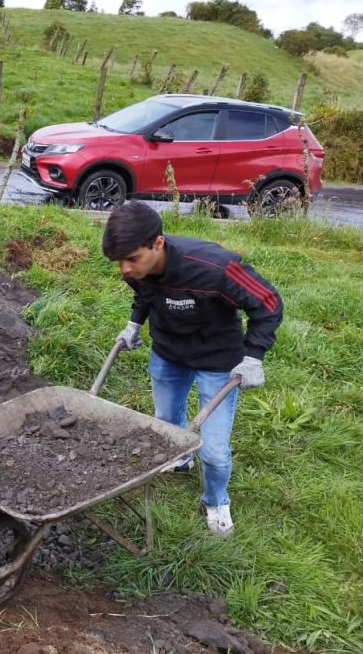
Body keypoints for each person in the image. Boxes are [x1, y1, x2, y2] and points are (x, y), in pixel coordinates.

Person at [101, 202, 283, 537]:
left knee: (213, 451)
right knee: (167, 423)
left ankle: (216, 500)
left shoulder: (215, 268)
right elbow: (146, 294)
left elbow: (269, 302)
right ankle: (180, 458)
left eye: (131, 259)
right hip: (168, 353)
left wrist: (254, 355)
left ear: (158, 243)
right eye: (118, 261)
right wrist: (133, 324)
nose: (124, 269)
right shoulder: (137, 270)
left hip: (217, 360)